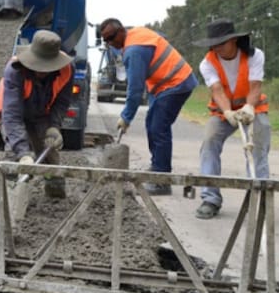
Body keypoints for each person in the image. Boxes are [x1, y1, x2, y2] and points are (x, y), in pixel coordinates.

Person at [99, 18, 198, 195]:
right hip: (165, 85)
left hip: (176, 83)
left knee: (159, 126)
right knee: (152, 123)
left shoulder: (134, 51)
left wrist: (126, 117)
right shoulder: (135, 35)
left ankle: (161, 181)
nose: (110, 43)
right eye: (105, 40)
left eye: (111, 38)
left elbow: (135, 90)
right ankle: (157, 167)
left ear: (121, 31)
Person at [192, 18, 270, 219]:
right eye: (214, 45)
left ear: (234, 40)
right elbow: (217, 91)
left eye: (222, 43)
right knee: (209, 142)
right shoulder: (207, 63)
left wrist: (248, 107)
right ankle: (210, 198)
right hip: (222, 111)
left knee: (258, 147)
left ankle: (258, 198)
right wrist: (228, 112)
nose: (217, 48)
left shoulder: (255, 55)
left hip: (253, 109)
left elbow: (255, 87)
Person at [0, 30, 74, 198]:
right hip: (10, 111)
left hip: (41, 113)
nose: (41, 71)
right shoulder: (15, 70)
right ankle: (7, 198)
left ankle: (55, 197)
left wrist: (54, 127)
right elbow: (12, 115)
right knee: (15, 155)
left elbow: (62, 102)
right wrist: (24, 153)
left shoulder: (67, 69)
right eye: (38, 66)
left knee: (50, 156)